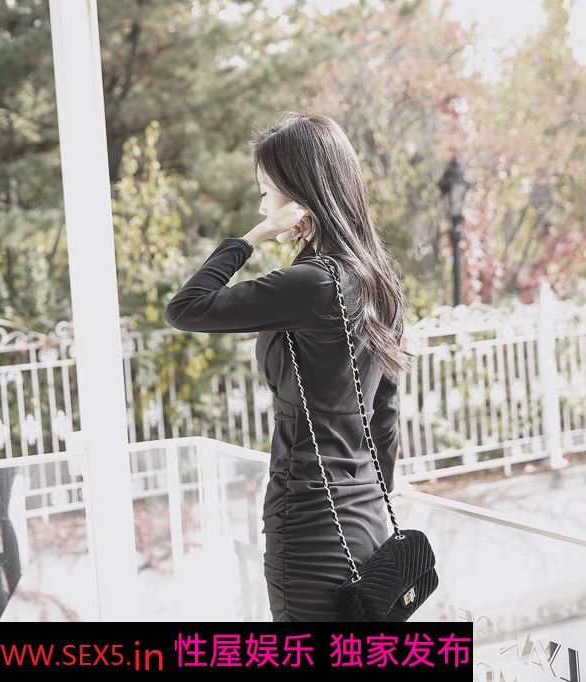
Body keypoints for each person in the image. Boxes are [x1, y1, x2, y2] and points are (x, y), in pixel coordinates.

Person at [163, 112, 414, 621]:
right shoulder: (377, 280)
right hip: (368, 516)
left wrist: (253, 237)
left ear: (299, 194)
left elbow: (185, 308)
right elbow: (385, 415)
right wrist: (370, 497)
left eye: (266, 193)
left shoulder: (312, 283)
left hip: (311, 523)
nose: (262, 206)